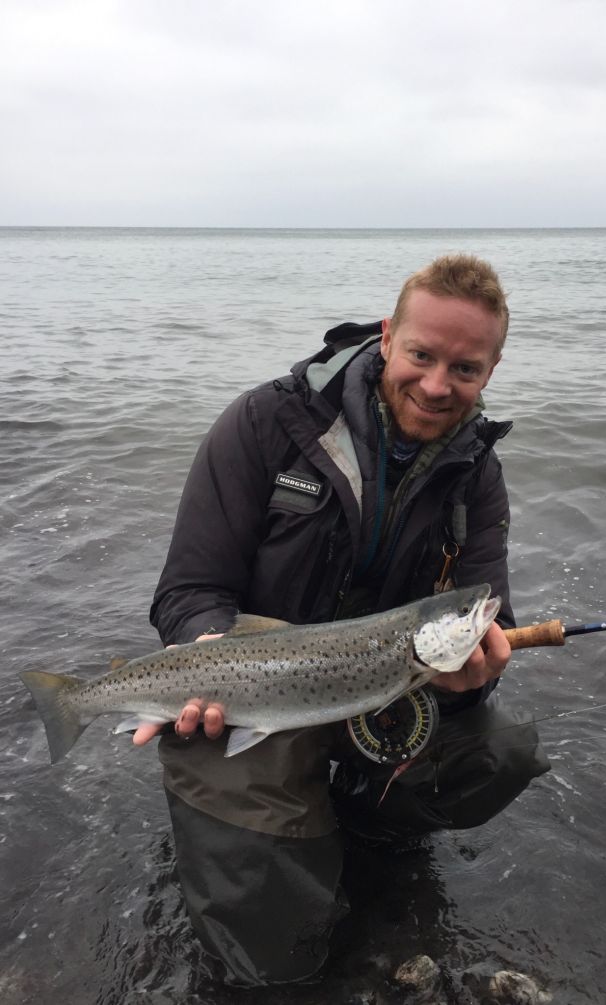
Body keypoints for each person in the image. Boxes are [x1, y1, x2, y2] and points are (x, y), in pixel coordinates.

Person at [138, 254, 550, 987]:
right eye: (422, 355)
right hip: (250, 689)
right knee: (270, 954)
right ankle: (286, 813)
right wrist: (205, 649)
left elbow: (490, 613)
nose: (435, 384)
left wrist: (472, 681)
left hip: (382, 696)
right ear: (388, 336)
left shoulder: (477, 472)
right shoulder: (268, 421)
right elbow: (189, 588)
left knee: (502, 752)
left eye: (464, 368)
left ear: (488, 372)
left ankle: (363, 811)